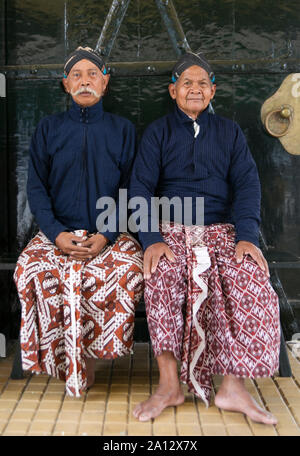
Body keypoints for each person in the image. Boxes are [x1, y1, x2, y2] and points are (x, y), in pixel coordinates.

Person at [129, 51, 280, 424]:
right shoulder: (158, 133)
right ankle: (169, 385)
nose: (194, 89)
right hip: (171, 230)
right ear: (173, 90)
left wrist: (246, 237)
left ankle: (232, 387)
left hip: (221, 231)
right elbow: (140, 188)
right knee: (160, 277)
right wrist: (151, 239)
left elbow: (247, 186)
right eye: (186, 83)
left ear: (213, 91)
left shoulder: (228, 132)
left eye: (202, 83)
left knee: (250, 279)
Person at [14, 46, 144, 397]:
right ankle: (58, 359)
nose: (84, 81)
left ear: (105, 82)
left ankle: (92, 358)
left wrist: (106, 235)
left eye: (92, 75)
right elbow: (36, 189)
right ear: (65, 84)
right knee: (30, 270)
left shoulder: (123, 129)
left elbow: (130, 188)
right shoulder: (48, 128)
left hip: (110, 236)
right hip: (58, 235)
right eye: (76, 75)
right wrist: (56, 235)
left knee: (128, 270)